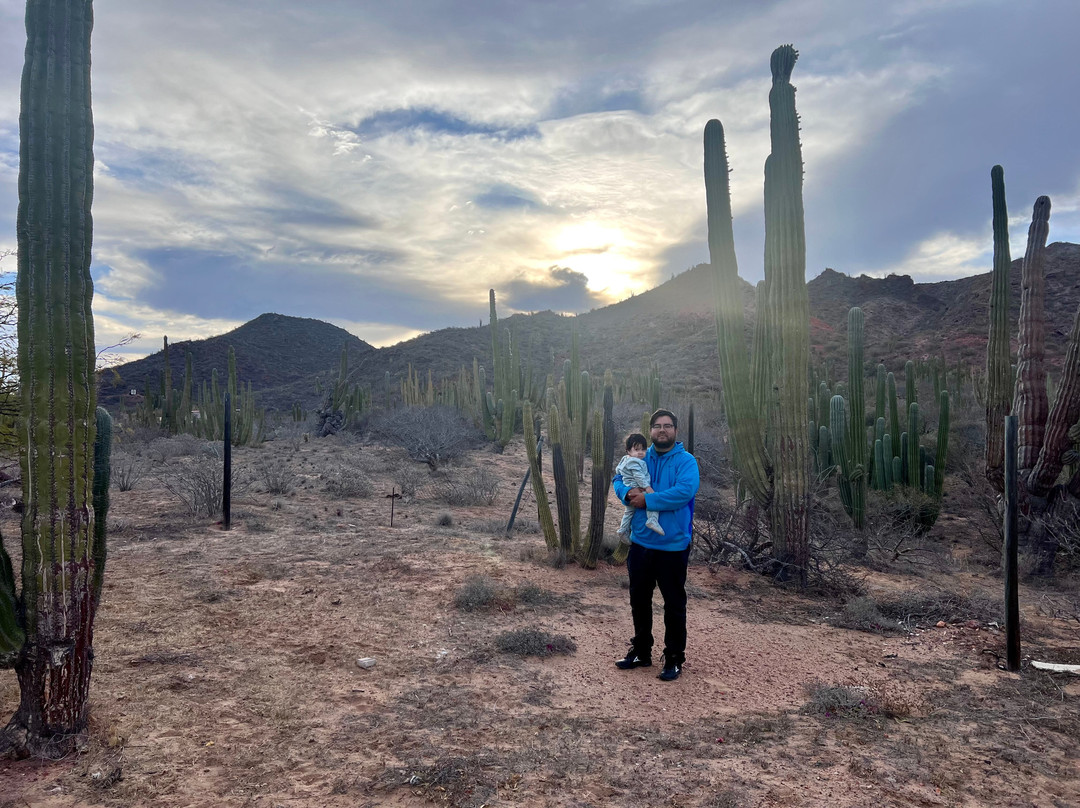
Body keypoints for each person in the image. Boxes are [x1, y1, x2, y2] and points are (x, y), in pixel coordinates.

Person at [611, 408, 699, 682]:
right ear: (650, 431)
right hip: (641, 543)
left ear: (675, 430)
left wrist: (648, 500)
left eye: (668, 426)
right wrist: (626, 492)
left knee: (673, 603)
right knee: (639, 599)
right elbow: (617, 478)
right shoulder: (639, 455)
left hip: (672, 546)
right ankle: (641, 651)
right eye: (657, 426)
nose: (662, 430)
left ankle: (673, 657)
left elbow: (684, 492)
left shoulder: (686, 461)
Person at [615, 433, 665, 537]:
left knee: (629, 512)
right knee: (652, 500)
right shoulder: (634, 461)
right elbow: (639, 477)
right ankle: (652, 520)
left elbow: (618, 471)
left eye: (643, 449)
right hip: (638, 487)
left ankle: (623, 529)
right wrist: (647, 487)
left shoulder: (625, 459)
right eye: (637, 450)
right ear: (628, 450)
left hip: (630, 488)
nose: (641, 452)